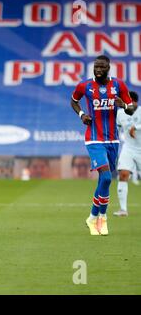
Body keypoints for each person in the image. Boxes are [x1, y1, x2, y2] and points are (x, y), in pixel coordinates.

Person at [71, 55, 134, 235]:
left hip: (113, 139)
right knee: (106, 178)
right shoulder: (85, 86)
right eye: (96, 67)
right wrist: (82, 114)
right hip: (94, 138)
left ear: (108, 68)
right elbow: (73, 101)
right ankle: (103, 219)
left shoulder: (119, 85)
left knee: (104, 180)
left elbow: (130, 108)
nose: (98, 70)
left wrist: (123, 105)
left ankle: (92, 217)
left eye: (102, 67)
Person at [114, 91, 141, 217]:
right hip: (129, 148)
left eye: (130, 101)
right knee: (123, 174)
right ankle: (123, 209)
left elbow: (134, 127)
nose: (128, 103)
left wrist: (135, 127)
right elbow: (117, 128)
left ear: (136, 102)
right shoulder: (120, 113)